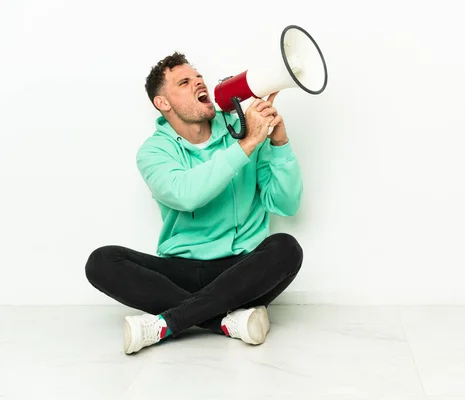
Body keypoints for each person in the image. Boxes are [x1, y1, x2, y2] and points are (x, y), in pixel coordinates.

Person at [85, 52, 304, 355]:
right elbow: (187, 194)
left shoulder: (240, 128)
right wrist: (247, 145)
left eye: (198, 76)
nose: (198, 81)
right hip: (180, 272)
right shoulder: (153, 152)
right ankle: (224, 322)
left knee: (286, 249)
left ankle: (166, 323)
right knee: (101, 262)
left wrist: (278, 143)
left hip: (240, 273)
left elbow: (286, 204)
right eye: (184, 82)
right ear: (163, 103)